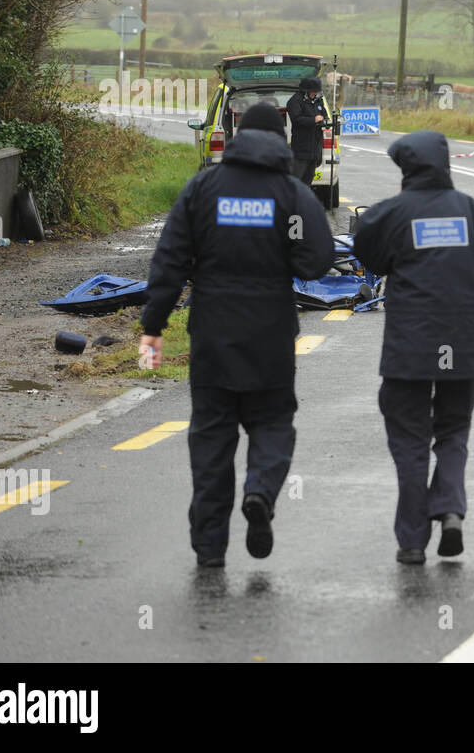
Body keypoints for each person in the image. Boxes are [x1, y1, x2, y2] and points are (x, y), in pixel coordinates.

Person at [139, 102, 333, 568]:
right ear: (281, 137)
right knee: (272, 422)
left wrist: (153, 327)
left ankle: (209, 550)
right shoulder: (290, 194)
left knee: (211, 439)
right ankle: (260, 493)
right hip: (270, 336)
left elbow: (170, 260)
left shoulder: (203, 189)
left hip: (213, 336)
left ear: (237, 135)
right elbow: (319, 257)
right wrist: (287, 261)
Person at [352, 130, 474, 565]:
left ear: (406, 169)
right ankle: (448, 510)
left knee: (409, 442)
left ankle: (411, 541)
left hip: (409, 351)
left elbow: (368, 256)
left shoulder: (389, 214)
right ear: (446, 164)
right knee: (452, 433)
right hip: (462, 349)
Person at [287, 76, 327, 186]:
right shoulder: (295, 101)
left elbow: (324, 115)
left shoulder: (318, 100)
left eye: (316, 92)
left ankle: (303, 201)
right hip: (301, 149)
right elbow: (296, 119)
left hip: (315, 149)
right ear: (306, 90)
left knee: (308, 181)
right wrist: (313, 120)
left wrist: (326, 121)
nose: (315, 94)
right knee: (296, 181)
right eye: (313, 92)